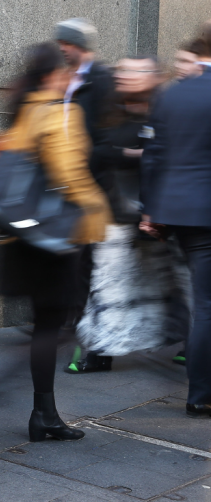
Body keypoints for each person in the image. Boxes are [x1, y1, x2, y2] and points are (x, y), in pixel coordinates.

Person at [0, 42, 110, 441]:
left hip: (26, 234)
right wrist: (99, 214)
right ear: (54, 76)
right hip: (56, 234)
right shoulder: (60, 113)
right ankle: (40, 413)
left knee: (46, 323)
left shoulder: (23, 109)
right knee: (52, 325)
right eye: (65, 74)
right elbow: (70, 174)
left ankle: (43, 412)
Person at [67, 56, 190, 374]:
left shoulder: (165, 108)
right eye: (121, 70)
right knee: (109, 285)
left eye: (133, 71)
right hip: (115, 212)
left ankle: (190, 343)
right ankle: (99, 351)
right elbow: (96, 151)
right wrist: (137, 153)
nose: (123, 76)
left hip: (162, 212)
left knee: (172, 284)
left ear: (153, 77)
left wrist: (136, 154)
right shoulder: (109, 109)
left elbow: (171, 154)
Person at [140, 20, 211, 418]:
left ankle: (202, 393)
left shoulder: (173, 94)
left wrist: (151, 209)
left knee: (205, 303)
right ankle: (201, 393)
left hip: (181, 213)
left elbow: (155, 156)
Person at [54, 18, 117, 358]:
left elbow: (104, 137)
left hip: (89, 184)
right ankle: (67, 316)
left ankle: (78, 320)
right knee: (68, 255)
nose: (62, 48)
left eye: (66, 43)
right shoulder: (64, 79)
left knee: (85, 259)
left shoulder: (102, 79)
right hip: (61, 183)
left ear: (80, 45)